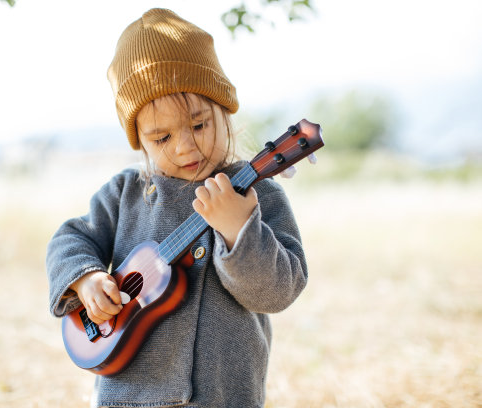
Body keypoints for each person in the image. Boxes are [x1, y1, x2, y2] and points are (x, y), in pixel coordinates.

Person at [46, 8, 307, 408]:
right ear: (141, 141)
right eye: (162, 137)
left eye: (199, 125)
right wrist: (86, 278)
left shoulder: (258, 193)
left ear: (224, 109)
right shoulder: (126, 192)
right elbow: (71, 237)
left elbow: (278, 292)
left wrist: (240, 231)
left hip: (223, 395)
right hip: (128, 397)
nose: (185, 147)